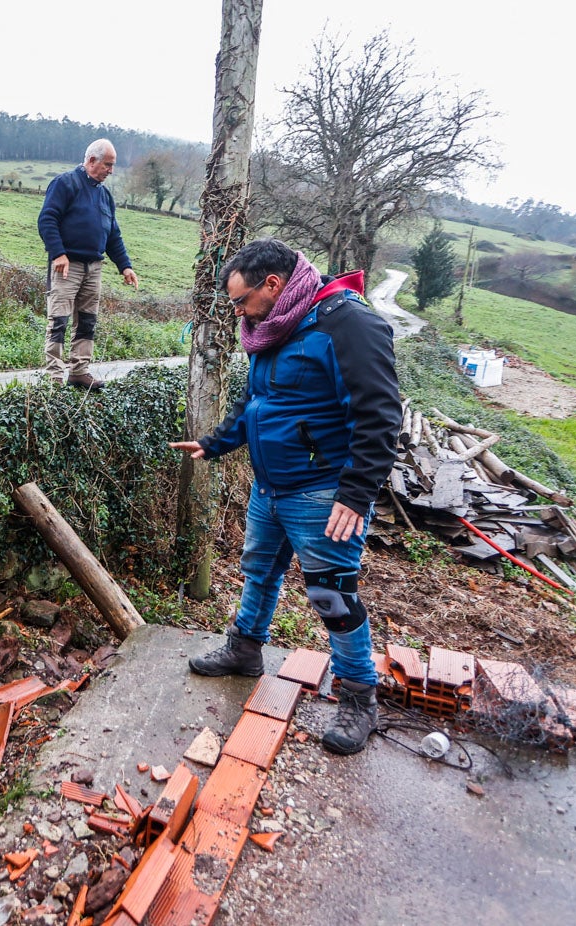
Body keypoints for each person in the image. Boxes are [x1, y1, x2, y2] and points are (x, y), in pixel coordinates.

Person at [170, 238, 401, 755]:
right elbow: (260, 402)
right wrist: (216, 442)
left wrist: (356, 493)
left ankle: (360, 698)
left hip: (322, 493)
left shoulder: (348, 325)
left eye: (239, 301)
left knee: (332, 596)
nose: (236, 313)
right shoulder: (273, 324)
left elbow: (381, 418)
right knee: (259, 571)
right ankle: (245, 650)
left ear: (273, 285)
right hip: (270, 486)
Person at [36, 139, 139, 391]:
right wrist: (58, 253)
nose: (111, 171)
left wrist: (125, 266)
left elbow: (113, 234)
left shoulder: (105, 195)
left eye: (112, 166)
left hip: (94, 267)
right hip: (66, 265)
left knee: (87, 320)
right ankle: (54, 376)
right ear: (92, 160)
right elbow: (47, 219)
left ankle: (79, 371)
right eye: (108, 165)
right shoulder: (65, 183)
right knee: (59, 319)